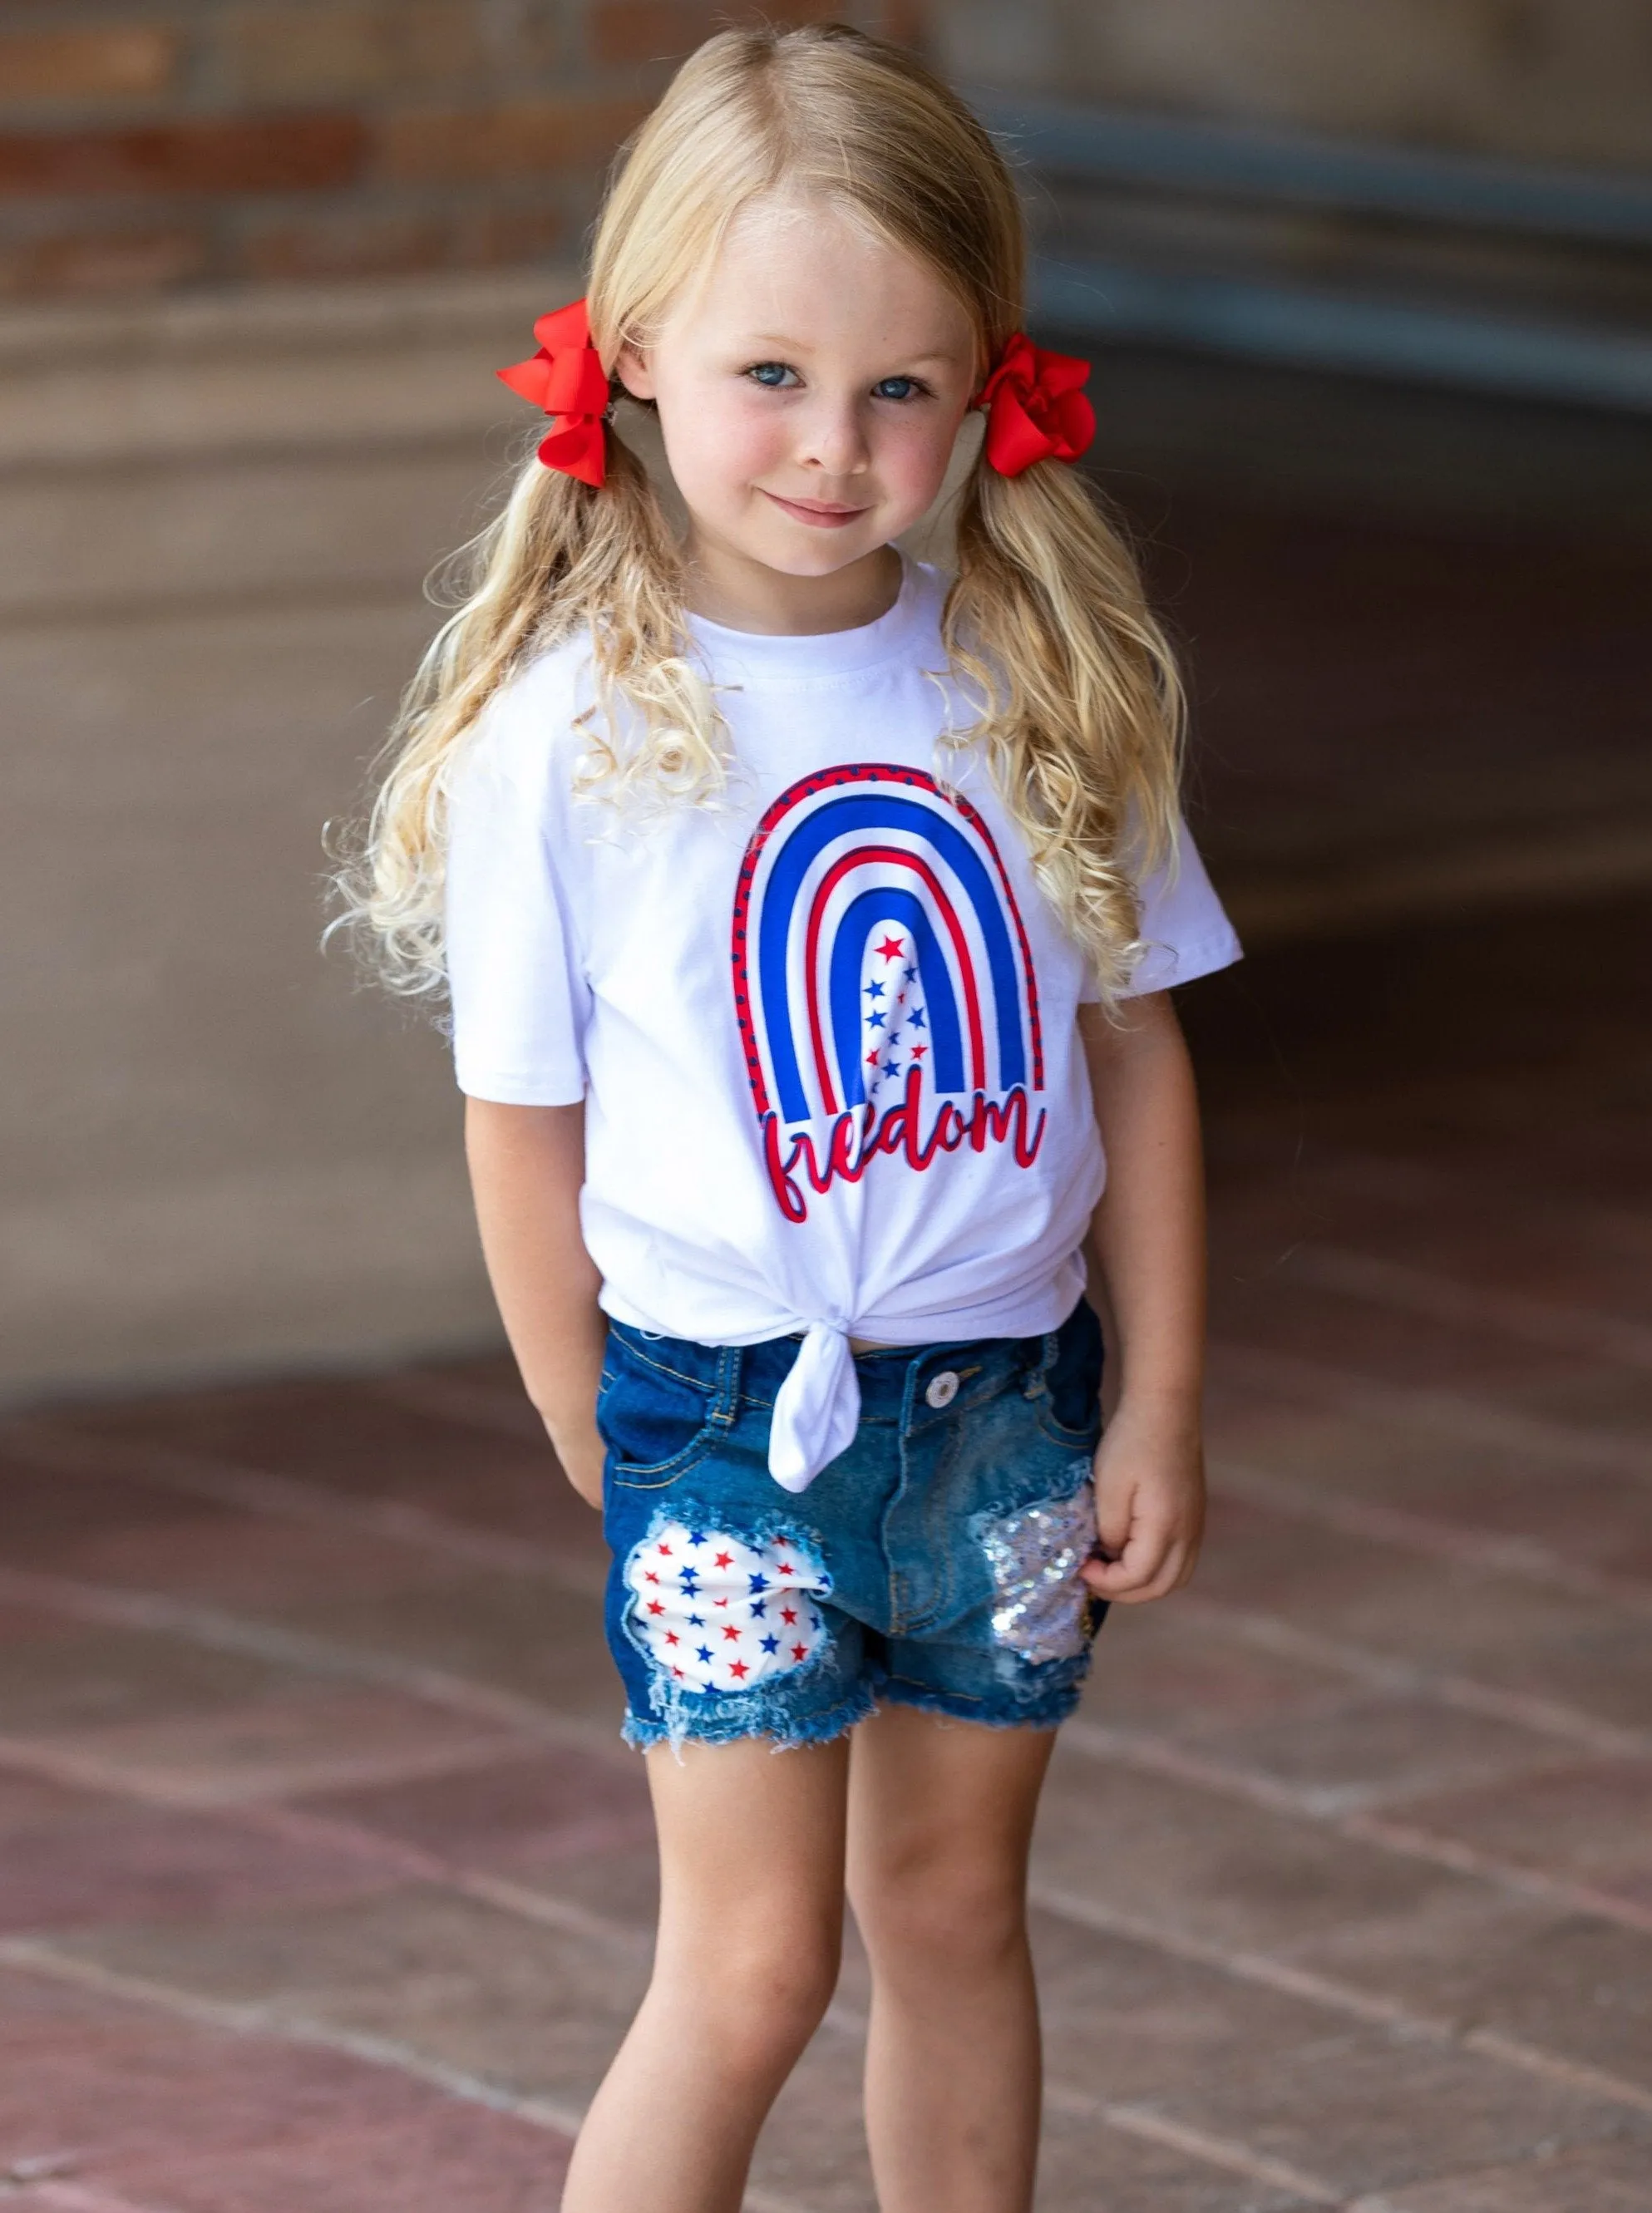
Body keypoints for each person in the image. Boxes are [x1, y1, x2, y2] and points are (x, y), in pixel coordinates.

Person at [340, 22, 1240, 2211]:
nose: (835, 448)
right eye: (771, 377)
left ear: (981, 394)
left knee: (951, 1914)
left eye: (900, 389)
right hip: (725, 1420)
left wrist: (1167, 1396)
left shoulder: (1031, 682)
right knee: (748, 1962)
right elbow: (518, 1117)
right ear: (638, 355)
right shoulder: (568, 737)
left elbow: (1134, 1043)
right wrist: (595, 1415)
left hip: (1014, 1408)